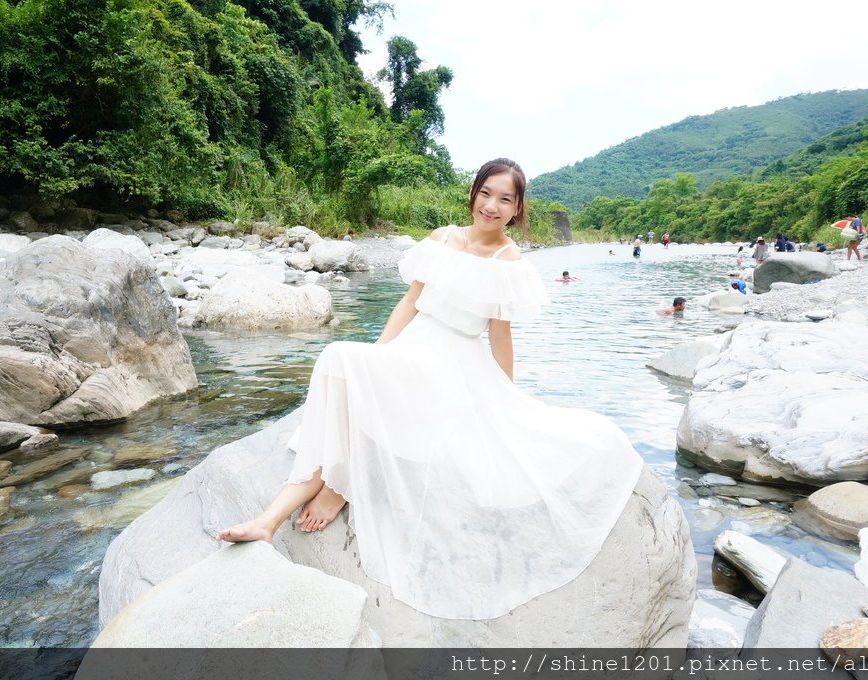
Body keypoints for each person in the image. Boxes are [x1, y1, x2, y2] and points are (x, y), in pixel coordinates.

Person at [216, 158, 644, 620]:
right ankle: (270, 520)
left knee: (353, 381)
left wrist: (508, 400)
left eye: (506, 198)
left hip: (456, 364)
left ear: (518, 208)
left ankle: (331, 490)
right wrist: (378, 356)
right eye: (487, 193)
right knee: (340, 359)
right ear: (473, 194)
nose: (493, 205)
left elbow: (500, 335)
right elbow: (410, 301)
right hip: (413, 348)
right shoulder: (442, 238)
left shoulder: (509, 258)